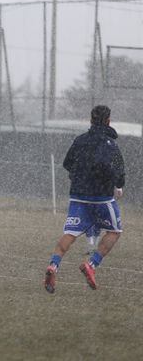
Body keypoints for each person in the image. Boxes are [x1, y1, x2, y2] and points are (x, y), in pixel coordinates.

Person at [44, 105, 125, 293]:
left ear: (90, 120)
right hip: (102, 198)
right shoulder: (110, 145)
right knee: (114, 231)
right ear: (108, 121)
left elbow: (67, 163)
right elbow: (118, 172)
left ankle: (53, 265)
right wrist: (117, 183)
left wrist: (79, 176)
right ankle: (92, 264)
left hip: (78, 196)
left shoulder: (80, 140)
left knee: (70, 233)